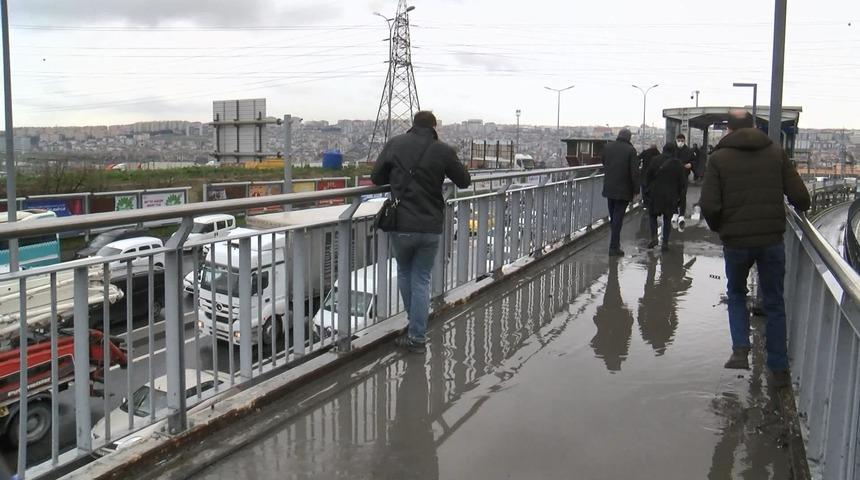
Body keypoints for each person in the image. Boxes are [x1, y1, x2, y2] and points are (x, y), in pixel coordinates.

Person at [699, 110, 810, 387]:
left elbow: (710, 204)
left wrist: (721, 228)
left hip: (735, 241)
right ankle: (779, 368)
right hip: (771, 240)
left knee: (737, 292)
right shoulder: (775, 152)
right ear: (752, 126)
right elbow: (800, 197)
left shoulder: (718, 158)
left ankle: (740, 349)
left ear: (728, 129)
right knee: (774, 301)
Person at [371, 111, 471, 354]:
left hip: (402, 224)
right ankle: (416, 334)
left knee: (405, 272)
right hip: (430, 226)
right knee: (422, 278)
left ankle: (415, 328)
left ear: (413, 125)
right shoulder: (443, 150)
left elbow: (376, 177)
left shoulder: (395, 143)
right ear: (434, 127)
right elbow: (464, 181)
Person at [600, 128, 639, 257]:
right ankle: (613, 247)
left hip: (609, 188)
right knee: (618, 218)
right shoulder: (631, 151)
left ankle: (615, 245)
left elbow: (604, 162)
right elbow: (634, 172)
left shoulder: (608, 147)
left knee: (613, 218)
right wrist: (636, 190)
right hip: (623, 190)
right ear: (629, 138)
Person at [643, 142, 686, 251]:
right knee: (667, 219)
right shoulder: (678, 164)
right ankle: (665, 242)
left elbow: (648, 176)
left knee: (652, 216)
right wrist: (681, 197)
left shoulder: (655, 160)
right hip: (671, 196)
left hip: (655, 194)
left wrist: (647, 191)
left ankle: (654, 238)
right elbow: (682, 182)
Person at [674, 133, 694, 224]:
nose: (680, 142)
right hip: (673, 176)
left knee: (682, 195)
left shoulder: (688, 150)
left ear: (684, 141)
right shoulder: (673, 149)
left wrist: (691, 164)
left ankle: (681, 214)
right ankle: (674, 212)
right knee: (673, 195)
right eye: (678, 141)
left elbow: (693, 160)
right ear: (676, 140)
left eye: (682, 141)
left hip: (684, 175)